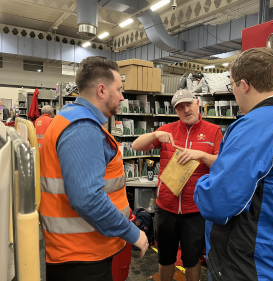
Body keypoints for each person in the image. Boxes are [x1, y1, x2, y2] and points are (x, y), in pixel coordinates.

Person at [193, 47, 273, 281]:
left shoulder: (255, 126)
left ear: (245, 84)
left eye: (232, 86)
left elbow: (217, 203)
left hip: (247, 264)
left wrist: (203, 182)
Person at [39, 56, 148, 281]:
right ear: (101, 90)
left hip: (78, 253)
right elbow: (87, 198)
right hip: (82, 257)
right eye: (118, 89)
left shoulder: (70, 117)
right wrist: (132, 233)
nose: (122, 96)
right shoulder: (83, 128)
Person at [132, 89, 223, 281]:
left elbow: (223, 164)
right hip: (166, 208)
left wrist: (202, 155)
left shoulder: (213, 131)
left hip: (196, 209)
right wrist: (155, 134)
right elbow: (136, 146)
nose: (186, 109)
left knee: (191, 259)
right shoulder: (167, 130)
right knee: (165, 258)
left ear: (197, 103)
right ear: (176, 111)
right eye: (180, 107)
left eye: (189, 104)